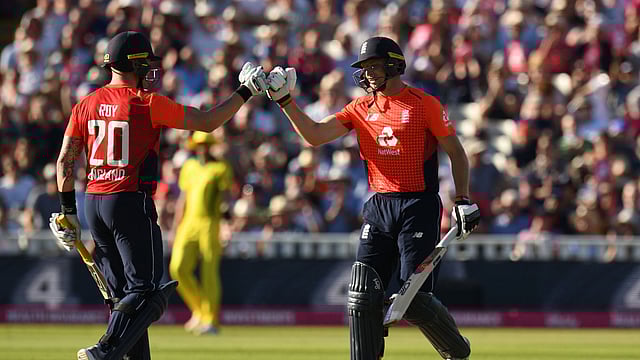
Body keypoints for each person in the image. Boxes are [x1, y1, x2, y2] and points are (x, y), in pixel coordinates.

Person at [47, 31, 267, 360]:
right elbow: (207, 122)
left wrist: (69, 211)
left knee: (123, 296)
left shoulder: (85, 104)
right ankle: (104, 348)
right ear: (133, 63)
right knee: (146, 290)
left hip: (93, 201)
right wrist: (246, 91)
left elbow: (64, 162)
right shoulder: (145, 102)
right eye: (146, 62)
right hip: (129, 201)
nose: (150, 69)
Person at [265, 36, 480, 360]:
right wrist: (285, 101)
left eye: (374, 66)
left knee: (416, 298)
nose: (367, 74)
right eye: (364, 68)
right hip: (379, 205)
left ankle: (456, 351)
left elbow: (457, 154)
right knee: (362, 293)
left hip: (418, 205)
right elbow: (315, 135)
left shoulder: (424, 104)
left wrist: (462, 199)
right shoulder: (360, 108)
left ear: (394, 65)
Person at [169, 131, 232, 335]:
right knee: (178, 269)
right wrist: (175, 227)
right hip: (188, 223)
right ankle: (200, 311)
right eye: (199, 145)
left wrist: (225, 226)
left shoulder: (220, 168)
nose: (202, 148)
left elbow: (224, 201)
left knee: (209, 272)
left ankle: (211, 321)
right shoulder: (190, 166)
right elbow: (183, 199)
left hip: (210, 223)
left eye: (206, 144)